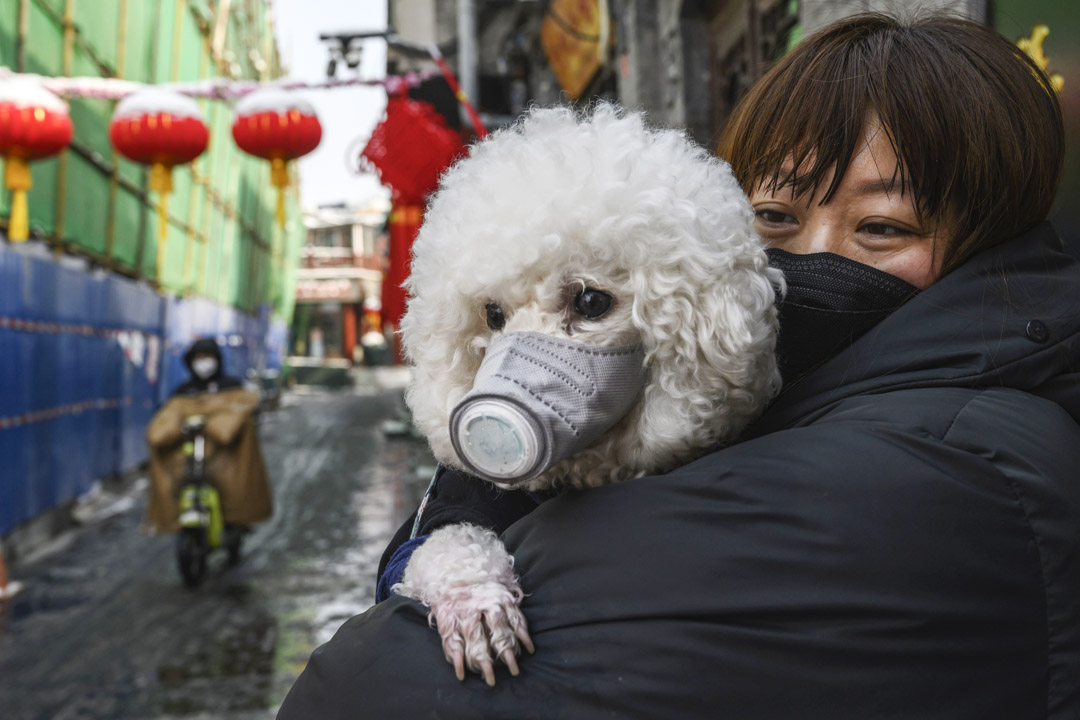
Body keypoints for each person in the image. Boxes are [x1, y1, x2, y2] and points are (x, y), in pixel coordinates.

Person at [278, 13, 1078, 719]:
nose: (816, 258)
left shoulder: (938, 465)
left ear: (990, 239)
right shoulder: (786, 399)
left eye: (880, 228)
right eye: (774, 217)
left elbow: (365, 686)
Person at [173, 337, 244, 397]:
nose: (203, 360)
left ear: (217, 359)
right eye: (199, 357)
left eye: (207, 356)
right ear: (191, 361)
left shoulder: (232, 386)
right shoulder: (184, 390)